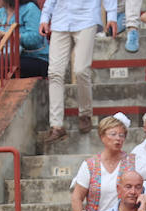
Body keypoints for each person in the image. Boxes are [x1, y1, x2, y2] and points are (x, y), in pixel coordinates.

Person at [39, 0, 115, 144]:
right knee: (54, 73)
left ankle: (85, 113)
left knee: (81, 70)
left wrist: (111, 16)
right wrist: (45, 16)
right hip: (60, 18)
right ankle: (56, 126)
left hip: (87, 17)